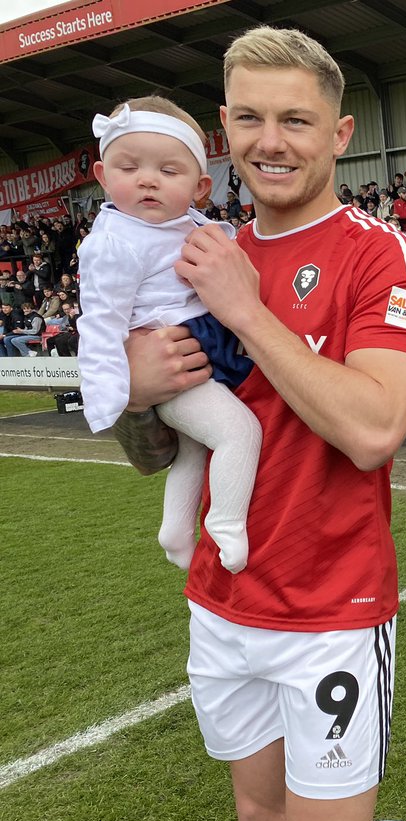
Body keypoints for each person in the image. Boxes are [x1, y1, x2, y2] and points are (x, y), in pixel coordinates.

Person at [109, 27, 406, 821]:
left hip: (331, 610)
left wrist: (245, 312)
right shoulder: (191, 252)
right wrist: (133, 396)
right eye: (251, 118)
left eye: (297, 120)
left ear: (339, 135)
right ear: (224, 130)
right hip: (223, 600)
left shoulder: (381, 255)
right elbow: (153, 453)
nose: (272, 141)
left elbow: (377, 428)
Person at [76, 97, 261, 575]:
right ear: (101, 174)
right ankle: (225, 523)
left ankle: (176, 529)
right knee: (239, 432)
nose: (147, 179)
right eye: (129, 166)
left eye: (168, 170)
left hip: (204, 347)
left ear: (201, 187)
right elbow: (100, 325)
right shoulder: (113, 243)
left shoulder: (192, 224)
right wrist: (113, 396)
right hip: (179, 360)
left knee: (195, 446)